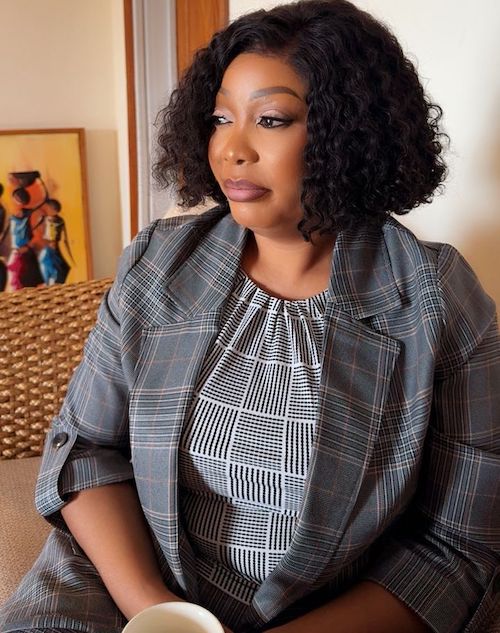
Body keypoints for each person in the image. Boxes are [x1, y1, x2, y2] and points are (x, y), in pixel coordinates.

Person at [1, 1, 498, 632]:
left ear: (349, 133)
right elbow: (85, 449)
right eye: (220, 118)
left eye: (271, 119)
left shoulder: (433, 298)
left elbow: (458, 546)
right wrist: (157, 611)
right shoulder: (160, 261)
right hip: (125, 589)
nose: (231, 149)